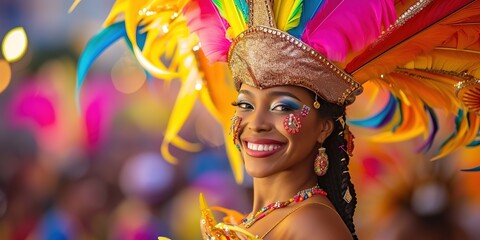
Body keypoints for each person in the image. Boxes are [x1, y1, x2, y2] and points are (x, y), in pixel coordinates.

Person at [74, 0, 480, 239]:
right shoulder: (260, 219)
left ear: (325, 126)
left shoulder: (313, 229)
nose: (257, 124)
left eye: (284, 106)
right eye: (246, 105)